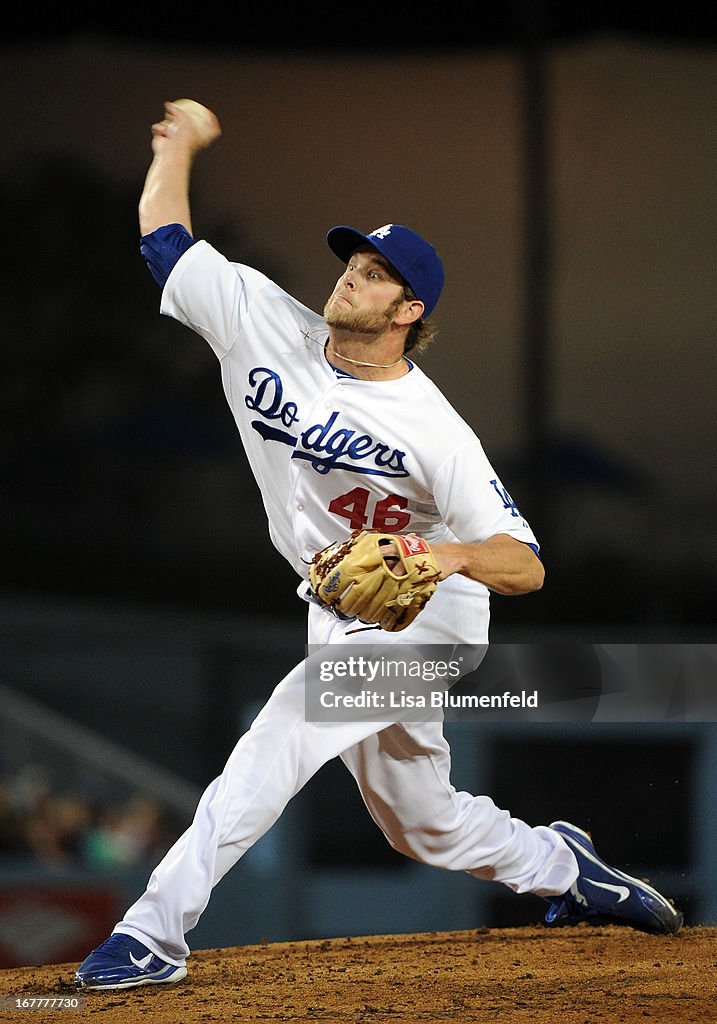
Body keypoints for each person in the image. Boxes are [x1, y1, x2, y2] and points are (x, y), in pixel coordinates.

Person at [75, 100, 682, 991]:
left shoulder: (435, 431)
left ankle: (151, 933)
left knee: (279, 735)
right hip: (341, 612)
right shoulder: (262, 322)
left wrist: (446, 556)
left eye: (374, 274)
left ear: (410, 308)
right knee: (420, 823)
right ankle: (564, 865)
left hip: (429, 621)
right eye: (353, 263)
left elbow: (526, 565)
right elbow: (164, 239)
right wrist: (178, 149)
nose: (351, 279)